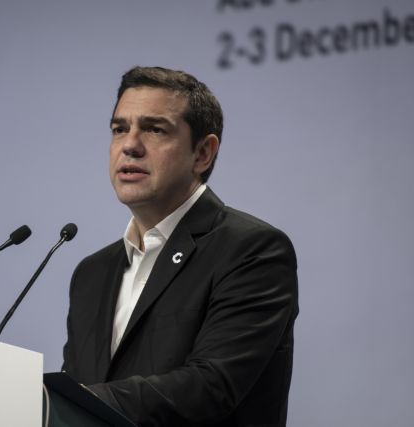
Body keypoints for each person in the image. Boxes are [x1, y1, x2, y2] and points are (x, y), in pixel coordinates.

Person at [62, 66, 299, 427]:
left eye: (154, 129)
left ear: (203, 153)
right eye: (119, 129)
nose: (129, 145)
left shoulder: (252, 250)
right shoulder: (92, 273)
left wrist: (73, 400)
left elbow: (211, 386)